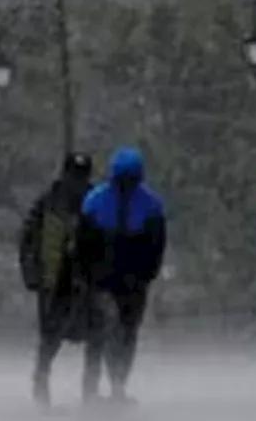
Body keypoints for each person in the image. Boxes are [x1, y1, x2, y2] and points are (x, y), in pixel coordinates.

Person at [76, 146, 167, 404]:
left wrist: (147, 274)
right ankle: (97, 386)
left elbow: (156, 246)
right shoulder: (97, 201)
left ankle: (116, 385)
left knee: (125, 332)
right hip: (105, 280)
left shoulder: (148, 205)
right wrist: (87, 275)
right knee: (107, 330)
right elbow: (84, 244)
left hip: (129, 281)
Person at [18, 152, 95, 406]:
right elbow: (28, 239)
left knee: (95, 336)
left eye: (81, 176)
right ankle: (42, 380)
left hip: (87, 280)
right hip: (55, 280)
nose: (78, 182)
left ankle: (89, 391)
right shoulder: (47, 204)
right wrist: (32, 273)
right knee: (52, 335)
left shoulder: (96, 203)